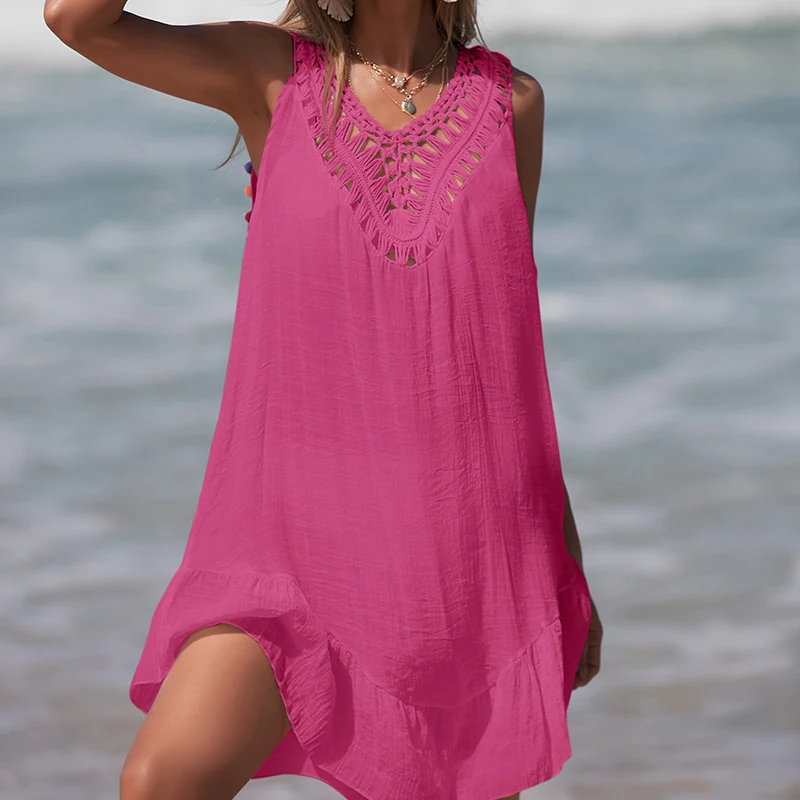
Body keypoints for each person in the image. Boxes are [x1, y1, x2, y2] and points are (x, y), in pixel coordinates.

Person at [44, 1, 603, 798]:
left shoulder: (511, 103)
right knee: (161, 781)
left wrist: (563, 561)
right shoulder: (269, 73)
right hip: (289, 547)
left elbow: (506, 353)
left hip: (461, 559)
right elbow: (76, 20)